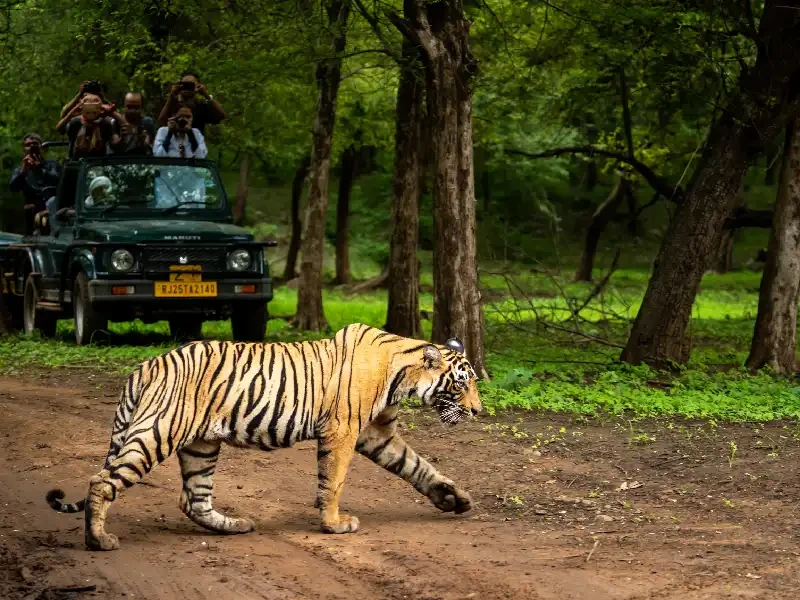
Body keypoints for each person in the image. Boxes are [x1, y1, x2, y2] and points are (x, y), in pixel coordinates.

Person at [8, 133, 61, 235]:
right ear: (24, 150)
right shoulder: (20, 169)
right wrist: (23, 172)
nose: (32, 147)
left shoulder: (52, 164)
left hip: (53, 206)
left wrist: (39, 169)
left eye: (35, 144)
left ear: (41, 147)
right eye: (28, 145)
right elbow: (13, 188)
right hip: (32, 210)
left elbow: (57, 180)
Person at [156, 70, 225, 135]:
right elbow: (161, 122)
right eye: (184, 84)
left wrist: (206, 94)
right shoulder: (171, 103)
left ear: (197, 86)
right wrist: (172, 95)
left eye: (191, 85)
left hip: (196, 144)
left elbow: (221, 115)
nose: (187, 88)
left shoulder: (200, 106)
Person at [58, 94, 124, 158]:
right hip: (76, 163)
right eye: (87, 112)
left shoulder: (105, 122)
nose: (91, 115)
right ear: (82, 110)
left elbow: (117, 144)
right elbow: (60, 128)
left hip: (99, 163)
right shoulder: (75, 122)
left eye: (94, 112)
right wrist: (72, 112)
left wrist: (112, 112)